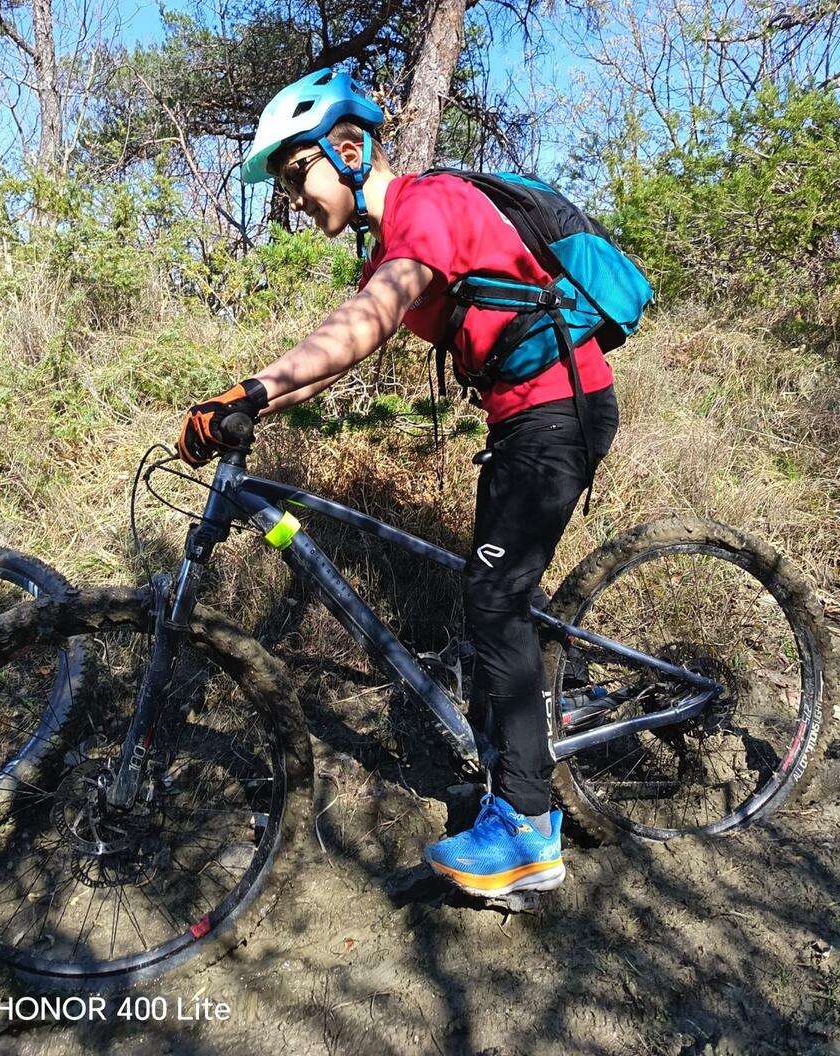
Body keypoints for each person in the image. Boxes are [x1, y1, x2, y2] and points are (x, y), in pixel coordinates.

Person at [177, 68, 619, 897]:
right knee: (492, 594)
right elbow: (337, 356)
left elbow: (370, 318)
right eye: (283, 186)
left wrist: (254, 389)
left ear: (348, 150)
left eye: (296, 173)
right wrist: (247, 402)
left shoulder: (428, 205)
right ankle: (513, 764)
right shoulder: (388, 248)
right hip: (522, 418)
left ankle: (527, 828)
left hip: (560, 409)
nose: (291, 200)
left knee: (493, 601)